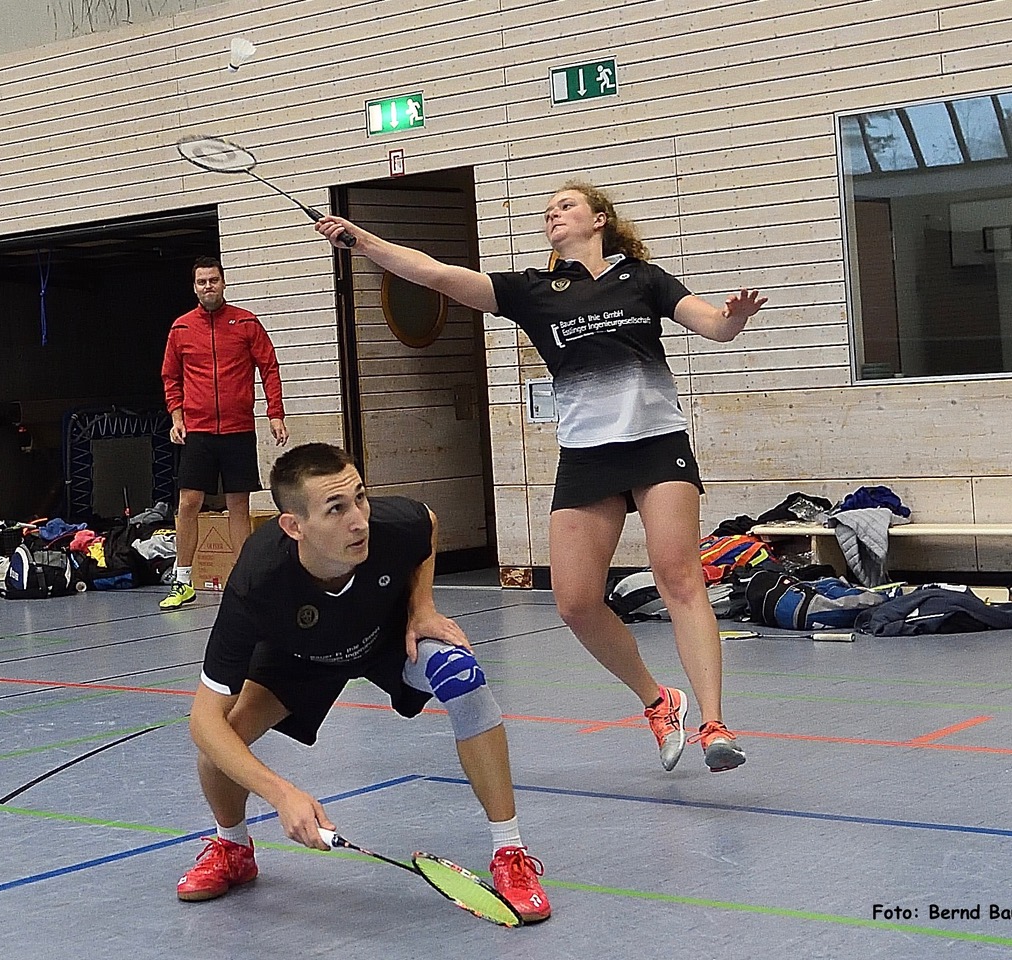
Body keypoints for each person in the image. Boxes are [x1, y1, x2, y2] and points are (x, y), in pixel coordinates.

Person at [314, 183, 765, 774]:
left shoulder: (644, 279)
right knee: (576, 603)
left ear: (599, 219)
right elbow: (436, 274)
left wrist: (731, 317)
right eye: (548, 210)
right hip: (587, 455)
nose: (554, 213)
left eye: (567, 205)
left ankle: (713, 723)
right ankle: (659, 701)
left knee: (677, 575)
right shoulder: (532, 291)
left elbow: (712, 324)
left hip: (656, 443)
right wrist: (362, 240)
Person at [176, 441, 552, 922]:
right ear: (294, 527)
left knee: (463, 676)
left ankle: (510, 853)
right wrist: (281, 793)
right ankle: (233, 847)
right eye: (335, 509)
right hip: (299, 656)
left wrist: (422, 608)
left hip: (387, 636)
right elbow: (203, 720)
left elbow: (428, 525)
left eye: (360, 497)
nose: (358, 519)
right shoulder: (257, 581)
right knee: (220, 743)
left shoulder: (390, 527)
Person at [160, 256, 289, 610]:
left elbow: (269, 366)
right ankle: (182, 579)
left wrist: (275, 413)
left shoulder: (246, 323)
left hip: (238, 428)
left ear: (223, 282)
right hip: (198, 430)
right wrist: (177, 416)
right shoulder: (181, 329)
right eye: (201, 282)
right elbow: (170, 376)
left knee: (237, 503)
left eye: (213, 280)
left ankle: (242, 580)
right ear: (194, 286)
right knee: (188, 502)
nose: (208, 287)